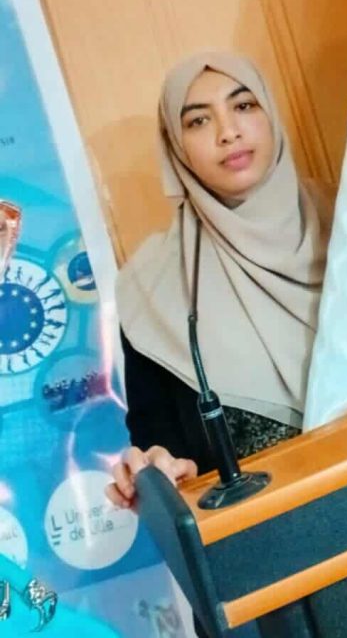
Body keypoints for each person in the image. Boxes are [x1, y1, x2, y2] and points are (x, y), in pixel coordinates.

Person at [106, 52, 331, 511]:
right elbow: (157, 441)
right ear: (177, 147)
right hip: (278, 537)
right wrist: (158, 469)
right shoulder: (153, 289)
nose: (228, 132)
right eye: (198, 121)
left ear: (271, 115)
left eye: (244, 106)